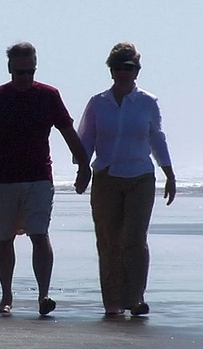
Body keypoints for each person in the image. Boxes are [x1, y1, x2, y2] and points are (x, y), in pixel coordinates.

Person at [0, 42, 91, 316]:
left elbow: (68, 132)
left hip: (39, 177)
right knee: (5, 238)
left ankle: (44, 295)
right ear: (10, 69)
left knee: (39, 234)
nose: (25, 78)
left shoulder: (49, 96)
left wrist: (84, 164)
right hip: (3, 179)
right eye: (19, 72)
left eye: (30, 72)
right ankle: (6, 297)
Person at [77, 42, 176, 317]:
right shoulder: (98, 103)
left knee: (134, 239)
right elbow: (86, 139)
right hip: (106, 176)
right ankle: (113, 301)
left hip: (140, 177)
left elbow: (157, 137)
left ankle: (135, 298)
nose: (123, 73)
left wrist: (169, 173)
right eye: (118, 68)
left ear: (137, 70)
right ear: (111, 71)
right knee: (108, 241)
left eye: (128, 68)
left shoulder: (147, 102)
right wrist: (82, 170)